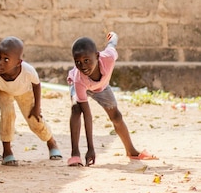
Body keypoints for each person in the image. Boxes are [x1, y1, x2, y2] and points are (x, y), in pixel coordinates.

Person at [67, 32, 157, 166]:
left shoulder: (109, 57)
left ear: (97, 56)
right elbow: (87, 115)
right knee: (76, 109)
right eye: (78, 62)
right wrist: (91, 149)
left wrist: (113, 36)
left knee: (116, 116)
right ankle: (75, 154)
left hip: (101, 87)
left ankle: (131, 151)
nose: (83, 66)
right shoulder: (79, 77)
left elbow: (112, 44)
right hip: (80, 85)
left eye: (87, 60)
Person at [0, 36, 62, 166]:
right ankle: (7, 151)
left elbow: (37, 85)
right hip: (2, 91)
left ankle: (51, 141)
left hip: (24, 91)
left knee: (34, 119)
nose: (0, 62)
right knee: (8, 114)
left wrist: (37, 107)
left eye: (6, 59)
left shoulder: (27, 70)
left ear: (18, 62)